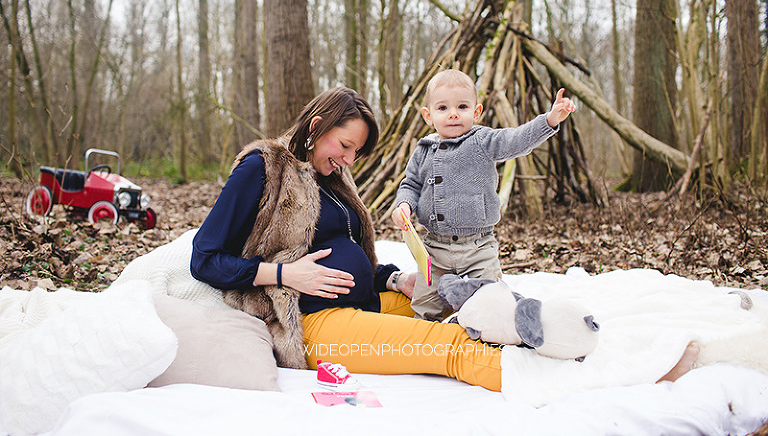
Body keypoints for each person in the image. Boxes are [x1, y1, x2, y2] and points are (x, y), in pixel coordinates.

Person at [190, 85, 698, 391]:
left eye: (354, 153)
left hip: (368, 301)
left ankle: (595, 344)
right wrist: (284, 274)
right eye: (344, 146)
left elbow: (342, 244)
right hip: (310, 325)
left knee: (481, 307)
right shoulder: (263, 169)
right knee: (454, 344)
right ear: (317, 124)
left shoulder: (328, 177)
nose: (348, 160)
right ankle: (614, 382)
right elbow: (204, 259)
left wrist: (394, 277)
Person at [391, 69, 576, 321]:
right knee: (425, 304)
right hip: (434, 248)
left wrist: (550, 119)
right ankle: (426, 344)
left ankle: (489, 333)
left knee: (490, 302)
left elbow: (517, 140)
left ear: (476, 112)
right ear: (428, 115)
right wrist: (403, 206)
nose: (453, 113)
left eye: (462, 106)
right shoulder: (423, 151)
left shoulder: (483, 141)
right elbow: (410, 184)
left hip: (478, 247)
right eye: (443, 108)